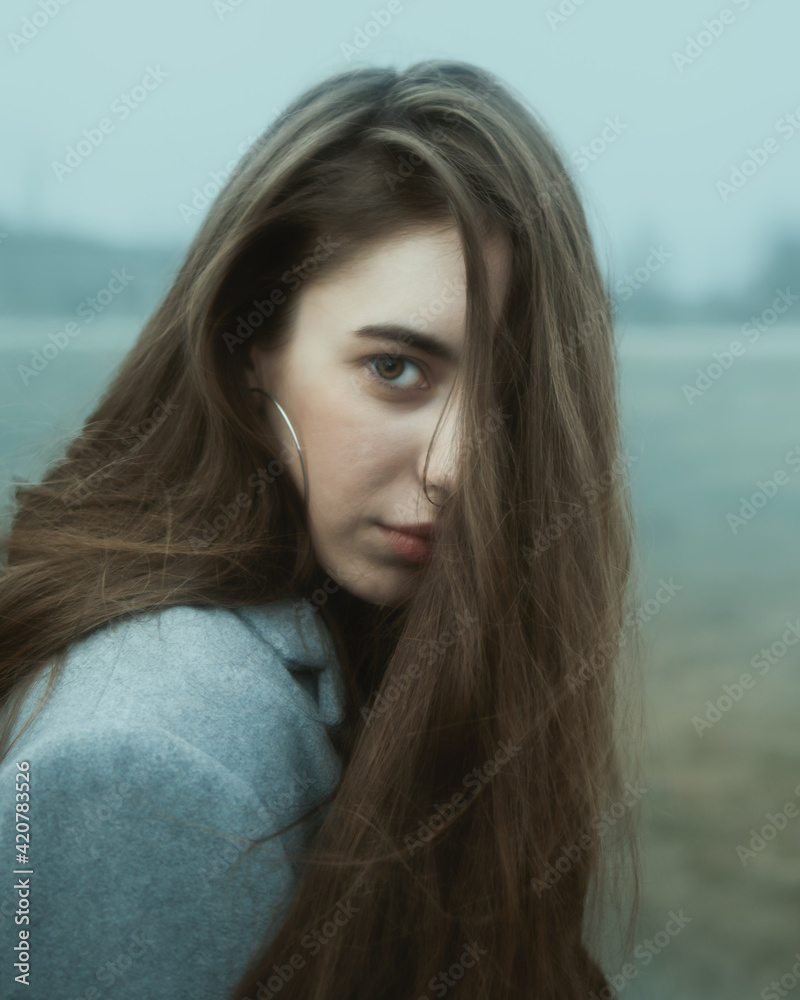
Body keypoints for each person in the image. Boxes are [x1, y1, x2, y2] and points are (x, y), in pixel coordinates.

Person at [0, 60, 643, 999]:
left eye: (508, 401)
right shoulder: (142, 769)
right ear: (252, 347)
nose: (457, 466)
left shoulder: (363, 629)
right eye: (395, 369)